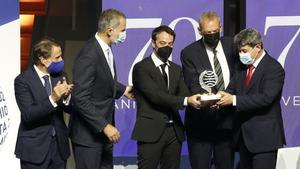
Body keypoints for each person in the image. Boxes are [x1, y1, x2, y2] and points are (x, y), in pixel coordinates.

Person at [69, 8, 134, 169]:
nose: (124, 34)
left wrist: (123, 90)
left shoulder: (106, 49)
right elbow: (80, 97)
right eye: (123, 30)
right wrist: (104, 126)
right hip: (88, 136)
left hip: (103, 134)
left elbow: (103, 80)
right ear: (110, 31)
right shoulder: (89, 54)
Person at [131, 25, 202, 169]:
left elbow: (185, 94)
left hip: (174, 132)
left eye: (170, 44)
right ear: (153, 43)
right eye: (162, 43)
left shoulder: (176, 69)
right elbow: (156, 96)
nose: (167, 47)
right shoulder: (141, 68)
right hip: (150, 131)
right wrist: (186, 100)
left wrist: (202, 98)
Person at [217, 28, 286, 169]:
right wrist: (217, 98)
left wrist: (234, 100)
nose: (241, 55)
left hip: (264, 140)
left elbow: (266, 98)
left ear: (258, 47)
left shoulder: (274, 68)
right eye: (239, 51)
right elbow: (230, 90)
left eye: (244, 51)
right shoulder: (242, 68)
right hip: (244, 138)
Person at [180, 11, 237, 169]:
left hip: (227, 122)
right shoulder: (189, 53)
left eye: (215, 32)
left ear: (221, 27)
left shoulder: (233, 45)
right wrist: (208, 99)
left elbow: (238, 75)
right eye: (208, 33)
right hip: (200, 124)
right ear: (200, 30)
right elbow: (192, 82)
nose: (212, 35)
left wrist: (226, 95)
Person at [14, 38, 73, 169]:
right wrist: (53, 98)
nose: (61, 60)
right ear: (43, 60)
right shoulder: (23, 81)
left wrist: (66, 97)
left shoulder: (61, 75)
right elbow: (28, 114)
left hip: (59, 148)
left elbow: (70, 109)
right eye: (57, 57)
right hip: (34, 150)